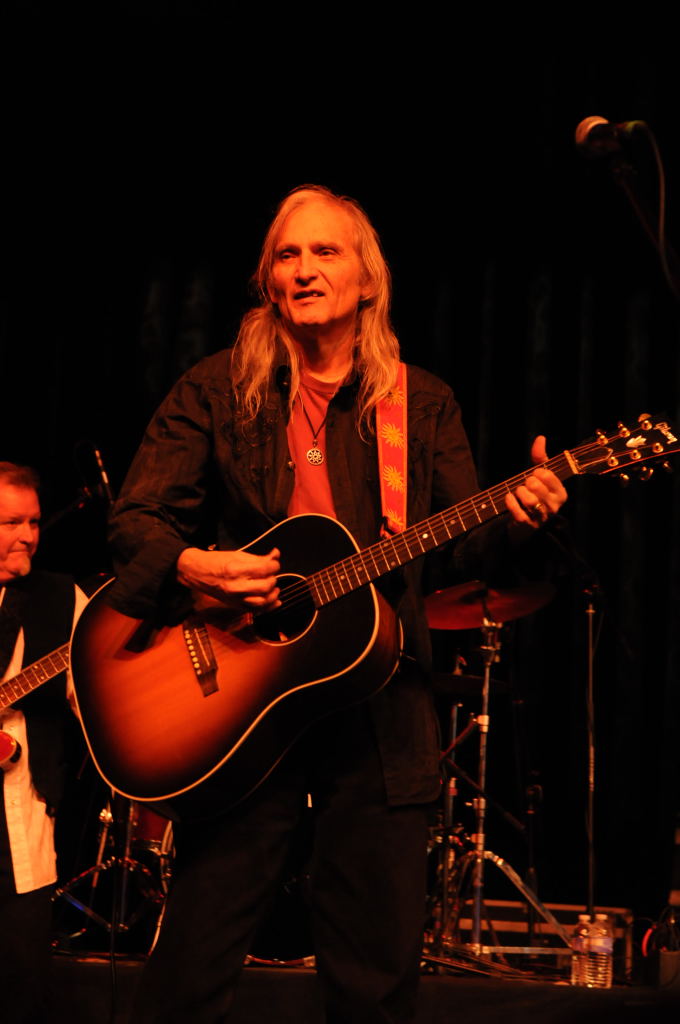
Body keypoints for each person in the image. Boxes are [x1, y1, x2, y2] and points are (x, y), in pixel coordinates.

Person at [107, 185, 567, 1023]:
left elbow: (458, 554)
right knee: (191, 965)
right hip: (244, 707)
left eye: (326, 251)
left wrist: (516, 517)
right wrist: (195, 565)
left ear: (367, 282)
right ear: (268, 281)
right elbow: (135, 518)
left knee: (374, 976)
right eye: (288, 254)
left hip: (379, 708)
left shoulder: (418, 403)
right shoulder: (217, 389)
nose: (305, 268)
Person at [0, 462, 86, 1023]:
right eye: (12, 522)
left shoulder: (61, 598)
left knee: (21, 980)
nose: (29, 535)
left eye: (33, 522)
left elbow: (94, 694)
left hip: (18, 818)